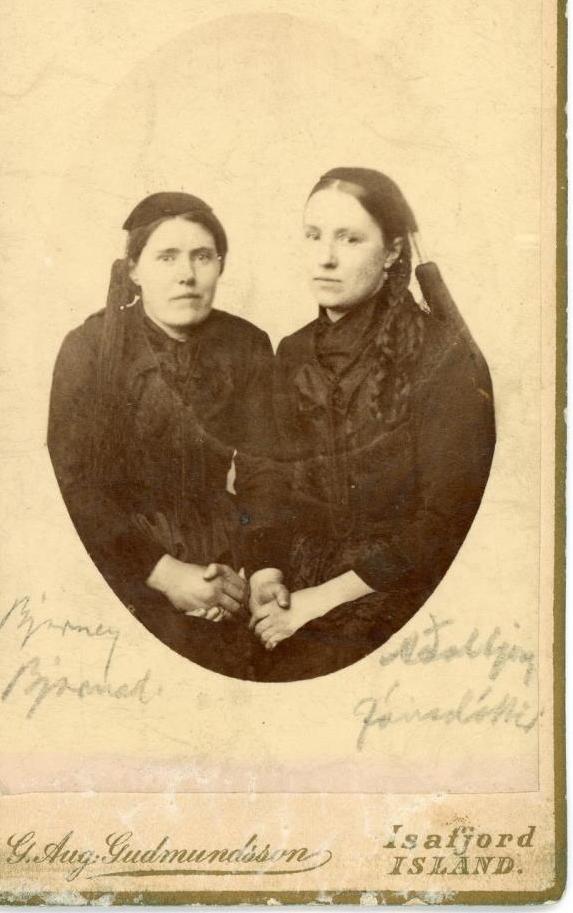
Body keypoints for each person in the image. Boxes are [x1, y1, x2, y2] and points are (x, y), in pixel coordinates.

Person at [251, 168, 496, 681]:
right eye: (313, 235)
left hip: (400, 585)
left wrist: (320, 600)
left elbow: (446, 518)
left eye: (350, 239)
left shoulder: (442, 357)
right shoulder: (293, 352)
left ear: (391, 252)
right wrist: (266, 573)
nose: (325, 257)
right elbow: (268, 474)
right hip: (297, 577)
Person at [48, 191, 285, 680]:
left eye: (202, 256)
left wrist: (260, 570)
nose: (187, 274)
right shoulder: (88, 348)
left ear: (220, 265)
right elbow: (75, 487)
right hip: (122, 555)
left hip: (225, 554)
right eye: (167, 257)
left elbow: (265, 469)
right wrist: (167, 575)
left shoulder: (246, 344)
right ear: (134, 269)